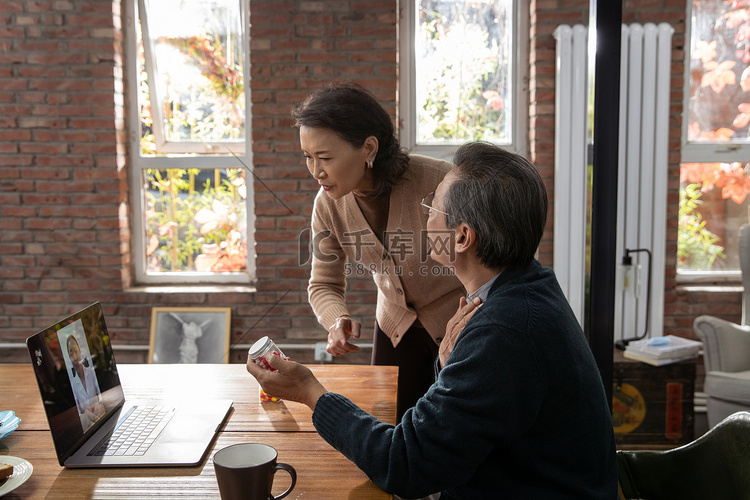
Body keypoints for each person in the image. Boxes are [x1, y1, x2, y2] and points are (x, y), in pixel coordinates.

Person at [247, 141, 618, 499]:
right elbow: (457, 427)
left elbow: (405, 465)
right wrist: (448, 361)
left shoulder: (503, 333)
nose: (424, 213)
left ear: (461, 236)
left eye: (433, 205)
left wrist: (310, 392)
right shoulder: (527, 287)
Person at [292, 81, 465, 418]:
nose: (316, 171)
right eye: (308, 158)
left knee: (456, 428)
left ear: (369, 148)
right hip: (395, 330)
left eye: (325, 157)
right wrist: (336, 319)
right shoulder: (327, 205)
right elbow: (324, 284)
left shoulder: (441, 182)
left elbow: (500, 259)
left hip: (460, 325)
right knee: (394, 427)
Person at [66, 335, 105, 431]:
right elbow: (77, 412)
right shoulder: (72, 384)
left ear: (80, 351)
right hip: (88, 428)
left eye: (75, 351)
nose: (74, 357)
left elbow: (101, 393)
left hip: (102, 419)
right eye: (71, 354)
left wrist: (100, 404)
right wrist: (84, 417)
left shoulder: (92, 372)